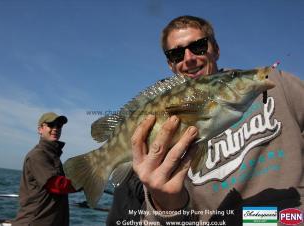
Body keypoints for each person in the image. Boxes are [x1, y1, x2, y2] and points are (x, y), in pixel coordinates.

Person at [108, 15, 304, 225]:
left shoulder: (277, 84)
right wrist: (166, 204)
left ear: (216, 49)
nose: (189, 57)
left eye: (199, 46)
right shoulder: (159, 127)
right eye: (176, 53)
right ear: (170, 64)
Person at [13, 112, 77, 226]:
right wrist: (87, 183)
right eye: (51, 125)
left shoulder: (52, 155)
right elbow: (56, 185)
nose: (55, 128)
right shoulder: (37, 155)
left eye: (59, 126)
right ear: (40, 129)